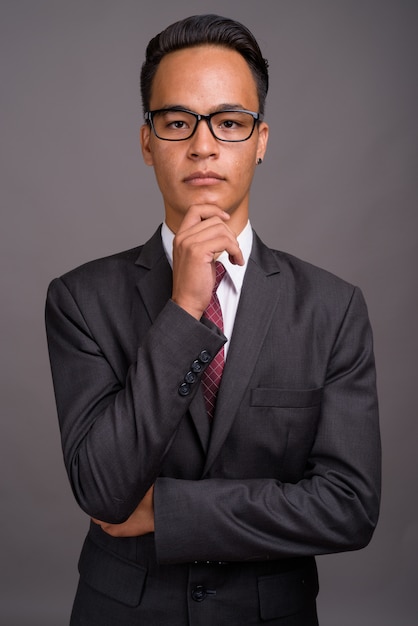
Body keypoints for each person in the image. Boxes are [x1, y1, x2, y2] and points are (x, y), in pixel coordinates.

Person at [45, 14, 381, 626]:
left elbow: (349, 507)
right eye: (178, 123)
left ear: (261, 140)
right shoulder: (79, 299)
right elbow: (101, 490)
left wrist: (169, 512)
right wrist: (182, 309)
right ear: (147, 142)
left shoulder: (332, 309)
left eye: (229, 123)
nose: (203, 146)